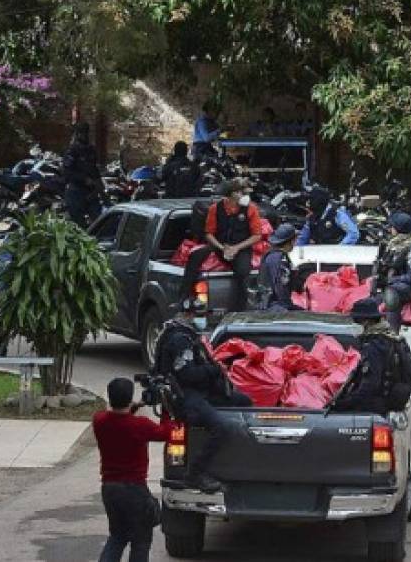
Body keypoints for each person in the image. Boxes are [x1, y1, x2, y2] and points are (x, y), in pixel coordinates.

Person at [154, 298, 251, 492]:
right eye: (201, 316)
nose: (204, 320)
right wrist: (212, 370)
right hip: (186, 395)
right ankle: (195, 474)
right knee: (220, 427)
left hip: (199, 391)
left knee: (243, 401)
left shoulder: (186, 334)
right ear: (189, 315)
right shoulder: (180, 340)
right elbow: (187, 374)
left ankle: (243, 459)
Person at [93, 377, 173, 562]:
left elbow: (117, 417)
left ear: (109, 397)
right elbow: (166, 432)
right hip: (134, 490)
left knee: (117, 537)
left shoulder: (99, 421)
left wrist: (134, 406)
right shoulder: (141, 425)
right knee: (140, 541)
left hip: (110, 489)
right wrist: (166, 411)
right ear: (130, 398)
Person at [333, 299, 411, 414]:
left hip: (374, 408)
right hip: (387, 404)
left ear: (366, 322)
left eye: (356, 321)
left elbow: (370, 385)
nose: (354, 325)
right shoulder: (390, 338)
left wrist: (344, 403)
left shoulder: (374, 346)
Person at [202, 179, 264, 312]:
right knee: (196, 256)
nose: (243, 195)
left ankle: (238, 310)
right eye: (239, 192)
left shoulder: (251, 209)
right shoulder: (215, 209)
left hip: (241, 248)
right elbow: (208, 233)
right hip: (220, 247)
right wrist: (221, 247)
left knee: (242, 272)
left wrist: (236, 248)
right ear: (230, 195)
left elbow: (257, 235)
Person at [63, 120, 103, 228]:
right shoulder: (72, 151)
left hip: (91, 192)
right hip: (76, 192)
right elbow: (67, 173)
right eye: (81, 133)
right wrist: (84, 179)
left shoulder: (91, 150)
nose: (84, 135)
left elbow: (94, 169)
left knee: (98, 223)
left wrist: (99, 185)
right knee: (78, 225)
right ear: (77, 134)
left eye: (85, 133)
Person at [257, 224, 301, 311]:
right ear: (291, 241)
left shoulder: (271, 255)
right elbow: (281, 286)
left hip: (268, 303)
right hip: (274, 306)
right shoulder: (280, 259)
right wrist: (287, 307)